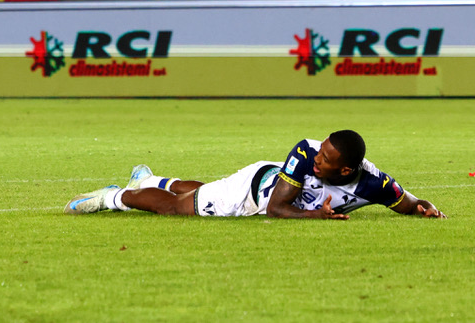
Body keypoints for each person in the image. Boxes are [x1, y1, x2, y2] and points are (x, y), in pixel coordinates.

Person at [65, 130, 444, 220]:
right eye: (321, 149)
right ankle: (115, 197)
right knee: (179, 209)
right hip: (258, 192)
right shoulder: (306, 151)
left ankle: (150, 179)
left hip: (263, 184)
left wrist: (424, 209)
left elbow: (409, 204)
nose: (318, 157)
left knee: (203, 190)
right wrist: (315, 216)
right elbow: (278, 209)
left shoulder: (373, 182)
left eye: (326, 159)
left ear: (346, 170)